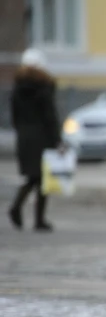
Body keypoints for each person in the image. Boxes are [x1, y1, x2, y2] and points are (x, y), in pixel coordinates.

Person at [7, 48, 62, 232]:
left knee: (32, 177)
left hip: (24, 137)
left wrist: (22, 132)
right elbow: (50, 117)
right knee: (41, 180)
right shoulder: (44, 88)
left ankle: (20, 210)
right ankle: (36, 218)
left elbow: (14, 116)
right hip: (42, 137)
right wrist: (58, 140)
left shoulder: (17, 88)